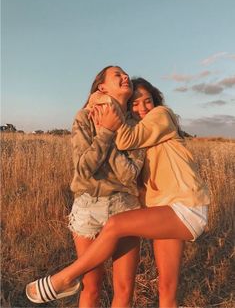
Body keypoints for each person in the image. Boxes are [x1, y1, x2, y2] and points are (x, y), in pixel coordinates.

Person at [26, 77, 210, 308]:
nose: (143, 108)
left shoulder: (161, 115)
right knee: (167, 291)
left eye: (148, 101)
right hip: (163, 211)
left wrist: (109, 111)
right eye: (135, 103)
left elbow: (124, 140)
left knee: (115, 225)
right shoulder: (141, 130)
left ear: (156, 102)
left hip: (186, 206)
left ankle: (64, 279)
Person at [26, 66, 146, 308]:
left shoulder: (137, 125)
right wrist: (105, 131)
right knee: (91, 285)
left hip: (126, 208)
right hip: (90, 207)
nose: (125, 77)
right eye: (117, 75)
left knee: (124, 288)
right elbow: (82, 170)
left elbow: (129, 174)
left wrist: (111, 128)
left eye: (125, 74)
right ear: (101, 87)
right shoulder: (84, 117)